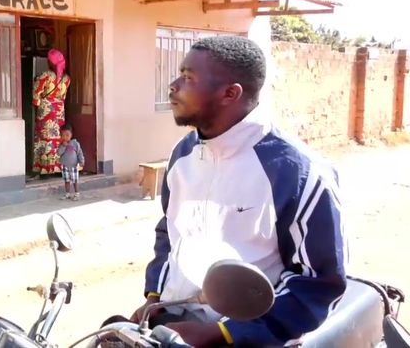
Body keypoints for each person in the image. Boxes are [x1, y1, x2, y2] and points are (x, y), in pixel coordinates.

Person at [115, 36, 347, 347]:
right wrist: (154, 298)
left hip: (246, 338)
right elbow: (169, 234)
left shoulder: (299, 173)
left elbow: (318, 284)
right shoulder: (182, 156)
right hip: (173, 325)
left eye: (188, 78)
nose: (173, 86)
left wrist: (222, 333)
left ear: (230, 93)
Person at [32, 48, 71, 177]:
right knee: (58, 138)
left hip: (46, 110)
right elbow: (63, 96)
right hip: (59, 110)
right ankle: (58, 167)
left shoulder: (45, 76)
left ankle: (45, 168)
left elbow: (36, 95)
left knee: (45, 138)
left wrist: (37, 105)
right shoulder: (66, 78)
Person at [57, 123, 85, 201]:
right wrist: (63, 146)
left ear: (71, 135)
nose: (65, 137)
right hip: (65, 166)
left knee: (75, 181)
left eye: (67, 135)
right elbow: (59, 153)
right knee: (67, 180)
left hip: (74, 166)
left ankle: (77, 193)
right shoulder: (61, 145)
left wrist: (82, 161)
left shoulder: (75, 143)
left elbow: (80, 153)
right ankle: (67, 193)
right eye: (63, 135)